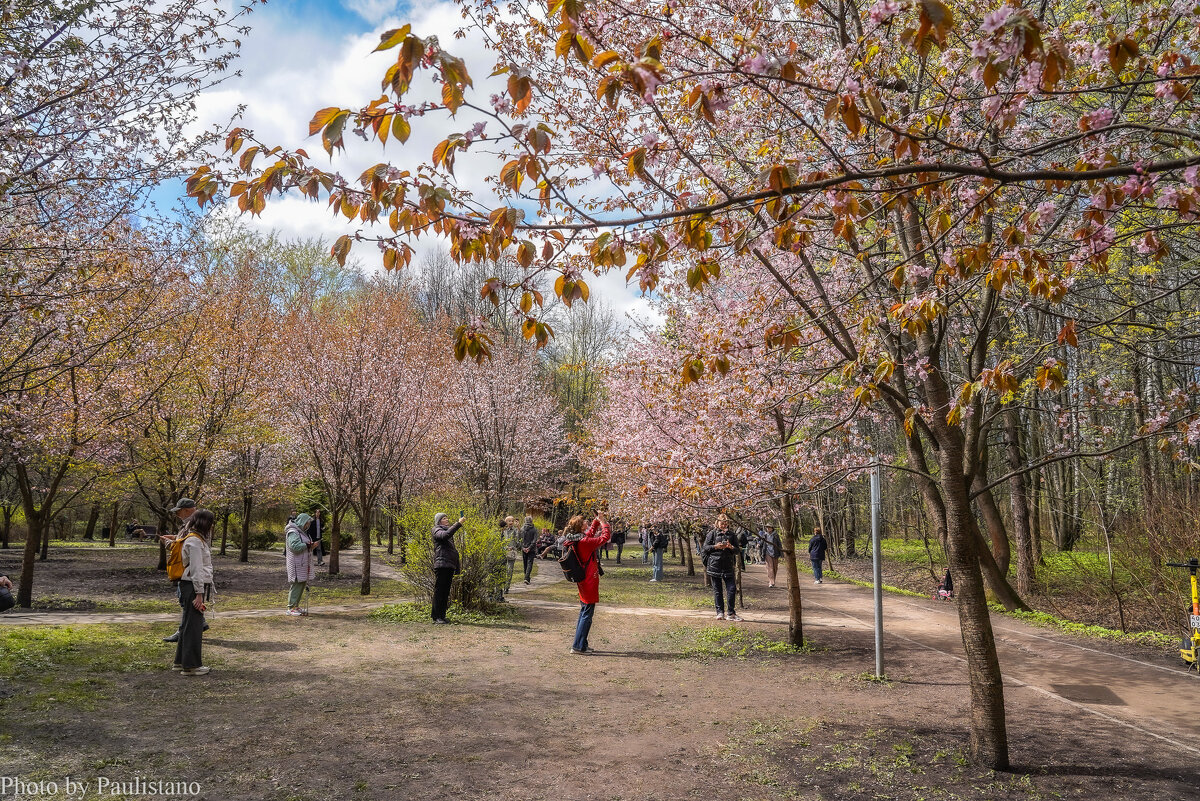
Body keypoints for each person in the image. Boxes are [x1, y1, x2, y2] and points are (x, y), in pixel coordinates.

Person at [175, 508, 215, 676]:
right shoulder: (195, 542)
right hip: (193, 586)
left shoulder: (193, 539)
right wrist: (199, 594)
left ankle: (180, 661)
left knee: (187, 624)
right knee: (194, 626)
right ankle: (191, 665)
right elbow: (197, 570)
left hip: (190, 585)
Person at [565, 509, 611, 654]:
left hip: (584, 578)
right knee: (587, 612)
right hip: (589, 579)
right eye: (585, 522)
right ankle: (578, 646)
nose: (587, 522)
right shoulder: (584, 542)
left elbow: (590, 533)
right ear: (581, 527)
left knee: (585, 611)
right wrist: (603, 523)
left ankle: (581, 643)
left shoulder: (578, 538)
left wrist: (597, 520)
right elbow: (604, 538)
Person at [162, 499, 207, 643]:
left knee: (187, 601)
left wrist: (170, 544)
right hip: (187, 570)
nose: (177, 514)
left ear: (187, 510)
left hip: (188, 571)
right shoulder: (194, 523)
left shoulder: (194, 524)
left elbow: (188, 546)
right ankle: (198, 625)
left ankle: (184, 631)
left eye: (179, 511)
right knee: (185, 600)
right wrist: (175, 538)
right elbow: (185, 541)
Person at [701, 514, 742, 621]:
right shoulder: (712, 534)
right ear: (717, 523)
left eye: (725, 523)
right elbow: (705, 548)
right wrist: (715, 546)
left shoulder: (732, 535)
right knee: (717, 590)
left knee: (732, 589)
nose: (724, 525)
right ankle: (720, 612)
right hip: (715, 565)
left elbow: (737, 551)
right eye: (722, 522)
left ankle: (731, 613)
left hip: (728, 565)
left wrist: (731, 547)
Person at [431, 512, 463, 624]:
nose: (447, 519)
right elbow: (445, 536)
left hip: (448, 565)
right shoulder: (436, 530)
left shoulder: (446, 530)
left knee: (445, 592)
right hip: (441, 565)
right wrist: (458, 524)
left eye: (447, 517)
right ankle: (436, 617)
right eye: (444, 518)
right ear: (439, 521)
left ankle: (442, 616)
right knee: (439, 592)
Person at [284, 513, 319, 616]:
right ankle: (291, 607)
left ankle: (296, 606)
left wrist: (311, 546)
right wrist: (308, 545)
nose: (308, 525)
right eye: (307, 523)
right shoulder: (293, 532)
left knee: (302, 583)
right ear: (303, 522)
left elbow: (304, 546)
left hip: (302, 563)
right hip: (296, 563)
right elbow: (294, 547)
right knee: (296, 584)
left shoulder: (302, 532)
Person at [501, 516, 519, 594]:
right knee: (502, 570)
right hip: (503, 552)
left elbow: (518, 541)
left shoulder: (515, 530)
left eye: (512, 521)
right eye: (509, 521)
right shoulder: (503, 530)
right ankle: (500, 586)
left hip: (511, 553)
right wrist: (505, 547)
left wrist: (518, 527)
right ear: (506, 522)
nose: (511, 522)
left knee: (509, 570)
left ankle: (506, 587)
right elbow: (500, 540)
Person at [520, 515, 538, 584]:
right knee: (529, 563)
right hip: (531, 549)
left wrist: (523, 547)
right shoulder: (534, 529)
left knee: (525, 563)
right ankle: (527, 577)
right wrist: (529, 547)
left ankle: (526, 577)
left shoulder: (522, 529)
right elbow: (534, 540)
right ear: (531, 521)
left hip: (524, 548)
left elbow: (520, 539)